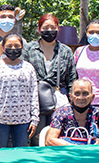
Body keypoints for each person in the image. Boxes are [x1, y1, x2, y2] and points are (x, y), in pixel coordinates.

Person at [22, 13, 77, 146]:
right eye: (45, 28)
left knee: (58, 137)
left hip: (59, 100)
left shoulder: (65, 51)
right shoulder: (29, 49)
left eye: (53, 27)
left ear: (58, 29)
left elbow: (72, 79)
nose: (49, 31)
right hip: (36, 101)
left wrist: (73, 104)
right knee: (37, 138)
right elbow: (23, 76)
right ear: (39, 29)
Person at [0, 33, 39, 148]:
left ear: (22, 47)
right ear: (3, 48)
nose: (13, 49)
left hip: (23, 120)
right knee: (0, 153)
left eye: (16, 46)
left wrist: (34, 118)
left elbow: (34, 94)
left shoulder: (29, 68)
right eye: (9, 46)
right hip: (0, 120)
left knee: (21, 153)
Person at [46, 79, 99, 146]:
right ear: (71, 97)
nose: (81, 97)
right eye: (77, 93)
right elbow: (50, 140)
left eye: (85, 93)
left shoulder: (97, 113)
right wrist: (72, 147)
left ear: (92, 97)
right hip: (68, 154)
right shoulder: (62, 113)